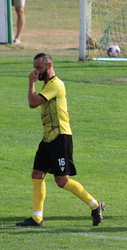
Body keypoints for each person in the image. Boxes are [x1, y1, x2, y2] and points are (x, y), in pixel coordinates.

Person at [17, 53, 105, 227]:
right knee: (37, 174)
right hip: (48, 138)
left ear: (49, 65)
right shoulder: (48, 84)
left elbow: (33, 102)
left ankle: (95, 205)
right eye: (34, 68)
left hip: (60, 137)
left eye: (39, 68)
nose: (36, 71)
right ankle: (37, 218)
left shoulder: (56, 84)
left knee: (61, 180)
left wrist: (31, 83)